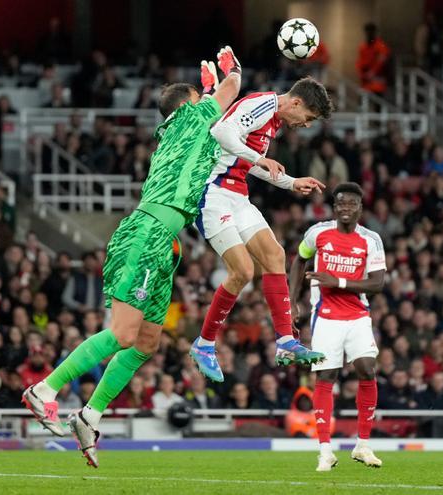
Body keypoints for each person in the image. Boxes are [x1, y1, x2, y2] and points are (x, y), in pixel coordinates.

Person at [22, 46, 247, 468]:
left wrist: (208, 90)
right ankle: (44, 390)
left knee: (146, 342)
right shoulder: (190, 117)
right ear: (188, 106)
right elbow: (232, 89)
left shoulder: (185, 130)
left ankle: (89, 416)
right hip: (147, 233)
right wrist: (230, 69)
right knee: (123, 334)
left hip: (165, 241)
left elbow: (215, 109)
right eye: (200, 100)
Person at [189, 77, 334, 381]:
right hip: (212, 192)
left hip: (236, 194)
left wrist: (291, 182)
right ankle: (203, 344)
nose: (306, 125)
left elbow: (250, 163)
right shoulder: (263, 104)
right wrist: (261, 158)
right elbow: (221, 132)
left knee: (274, 255)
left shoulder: (273, 119)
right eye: (308, 117)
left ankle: (285, 342)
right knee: (242, 270)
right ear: (296, 103)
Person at [289, 182, 386, 472]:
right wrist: (291, 301)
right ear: (334, 207)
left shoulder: (371, 239)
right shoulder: (317, 233)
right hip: (326, 316)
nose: (346, 208)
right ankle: (325, 450)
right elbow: (299, 261)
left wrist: (338, 282)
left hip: (357, 315)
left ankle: (363, 445)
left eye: (351, 204)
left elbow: (377, 283)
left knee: (367, 369)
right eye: (341, 203)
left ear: (360, 208)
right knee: (326, 376)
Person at [355, 23, 391, 95]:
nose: (369, 34)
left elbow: (382, 60)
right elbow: (360, 62)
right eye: (367, 32)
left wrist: (372, 72)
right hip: (366, 83)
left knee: (377, 99)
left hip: (378, 83)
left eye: (371, 32)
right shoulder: (363, 47)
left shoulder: (380, 46)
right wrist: (362, 74)